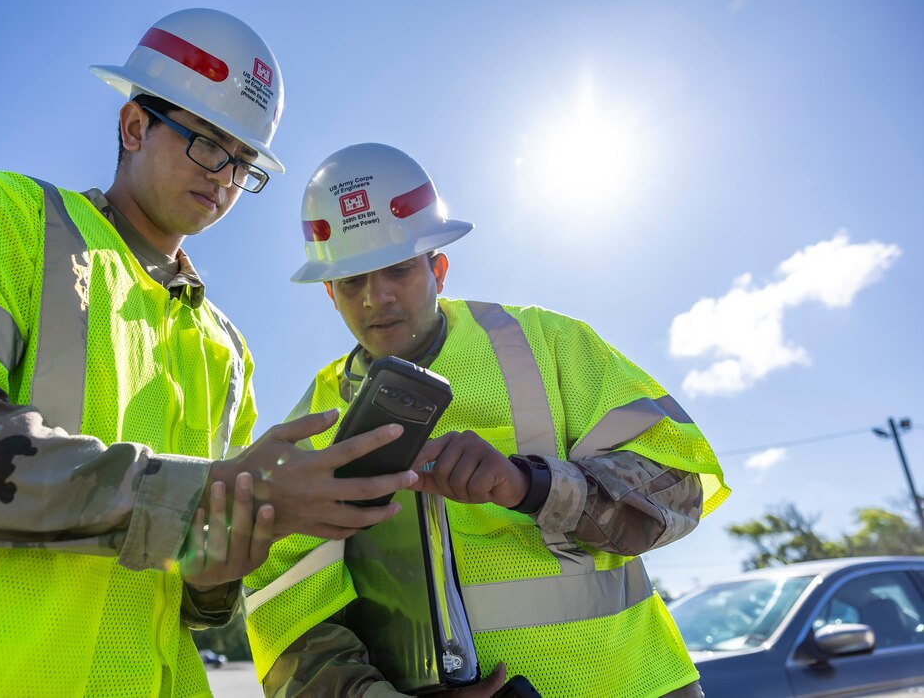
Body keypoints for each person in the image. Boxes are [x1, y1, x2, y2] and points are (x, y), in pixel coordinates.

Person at [0, 15, 413, 697]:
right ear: (134, 126)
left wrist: (223, 561)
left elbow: (195, 589)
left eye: (244, 163)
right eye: (209, 145)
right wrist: (202, 500)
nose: (226, 178)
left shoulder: (228, 352)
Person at [243, 143, 730, 697]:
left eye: (398, 269)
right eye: (352, 281)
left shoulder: (546, 343)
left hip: (639, 684)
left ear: (439, 268)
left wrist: (527, 484)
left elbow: (679, 489)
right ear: (329, 293)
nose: (375, 297)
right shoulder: (314, 424)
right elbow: (286, 613)